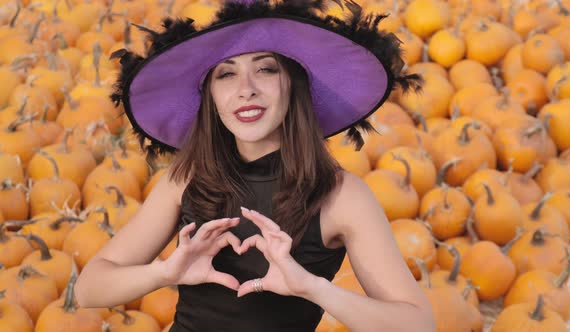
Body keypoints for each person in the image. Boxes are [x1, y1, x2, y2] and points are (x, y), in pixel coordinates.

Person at [74, 0, 436, 331]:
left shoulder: (341, 196)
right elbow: (89, 289)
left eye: (265, 69)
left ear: (292, 85)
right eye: (226, 74)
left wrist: (314, 288)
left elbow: (418, 324)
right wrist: (166, 272)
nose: (246, 89)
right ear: (210, 96)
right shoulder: (184, 180)